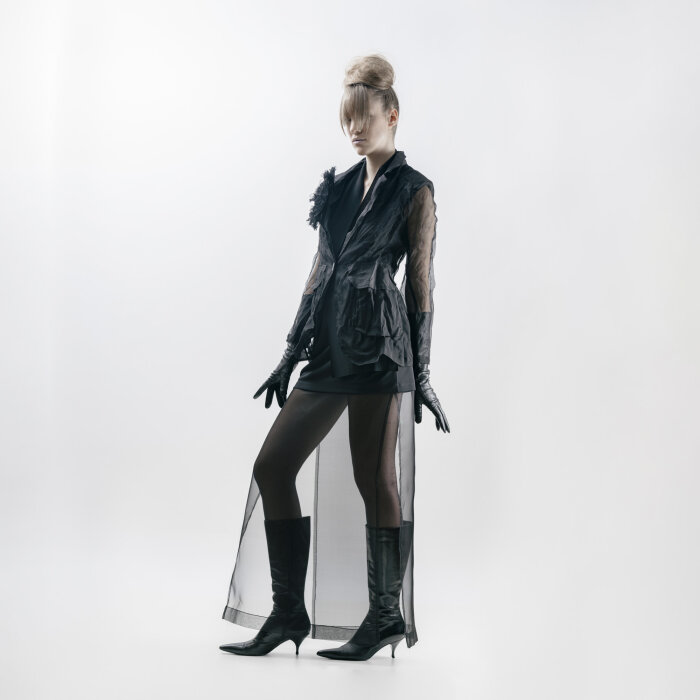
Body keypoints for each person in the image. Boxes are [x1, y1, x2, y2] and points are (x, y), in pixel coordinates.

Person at [219, 53, 450, 661]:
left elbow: (420, 285)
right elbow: (320, 272)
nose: (354, 129)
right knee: (273, 466)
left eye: (364, 117)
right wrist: (289, 351)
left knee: (373, 479)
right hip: (328, 348)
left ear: (391, 115)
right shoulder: (339, 188)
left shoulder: (414, 190)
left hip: (379, 350)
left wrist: (422, 371)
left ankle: (384, 618)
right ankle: (287, 613)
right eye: (347, 119)